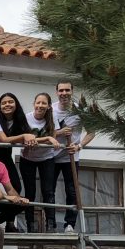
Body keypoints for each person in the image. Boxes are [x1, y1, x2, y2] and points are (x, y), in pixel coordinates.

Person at [0, 91, 31, 223]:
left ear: (16, 104)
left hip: (5, 151)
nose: (7, 105)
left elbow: (28, 136)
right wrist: (24, 136)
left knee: (16, 187)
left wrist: (45, 138)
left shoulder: (19, 118)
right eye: (4, 103)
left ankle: (8, 222)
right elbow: (3, 139)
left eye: (10, 102)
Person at [20, 92, 66, 233]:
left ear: (48, 106)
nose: (40, 106)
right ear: (34, 103)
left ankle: (51, 224)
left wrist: (50, 138)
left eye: (43, 103)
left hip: (47, 158)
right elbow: (25, 139)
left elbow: (53, 136)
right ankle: (30, 225)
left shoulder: (53, 118)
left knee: (48, 191)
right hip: (27, 158)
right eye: (38, 102)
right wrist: (47, 139)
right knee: (30, 192)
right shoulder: (26, 118)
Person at [52, 81, 90, 232]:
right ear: (57, 92)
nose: (64, 93)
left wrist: (79, 146)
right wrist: (60, 133)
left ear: (72, 91)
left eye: (67, 90)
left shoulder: (81, 110)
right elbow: (42, 132)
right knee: (49, 190)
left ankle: (70, 224)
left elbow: (92, 132)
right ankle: (51, 223)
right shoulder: (50, 109)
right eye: (61, 90)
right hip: (52, 156)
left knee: (72, 191)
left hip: (71, 157)